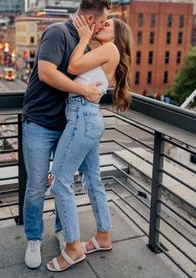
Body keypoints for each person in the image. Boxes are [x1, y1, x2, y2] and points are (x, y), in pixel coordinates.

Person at [22, 0, 112, 269]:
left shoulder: (88, 45)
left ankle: (63, 232)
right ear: (89, 18)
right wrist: (83, 90)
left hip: (68, 125)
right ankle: (34, 238)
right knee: (37, 187)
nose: (103, 26)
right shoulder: (57, 33)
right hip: (38, 123)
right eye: (103, 21)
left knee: (63, 182)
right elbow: (48, 73)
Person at [46, 16, 132, 272]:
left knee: (60, 179)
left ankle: (73, 249)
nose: (100, 26)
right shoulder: (103, 51)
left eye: (107, 25)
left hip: (82, 116)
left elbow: (71, 68)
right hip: (88, 117)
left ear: (117, 35)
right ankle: (103, 236)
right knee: (91, 179)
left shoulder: (110, 48)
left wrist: (83, 37)